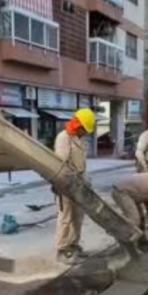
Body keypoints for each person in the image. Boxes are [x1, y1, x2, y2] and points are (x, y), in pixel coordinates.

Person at [54, 108, 96, 262]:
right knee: (65, 217)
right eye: (84, 130)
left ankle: (73, 244)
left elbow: (81, 163)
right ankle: (62, 250)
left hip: (78, 183)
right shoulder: (63, 138)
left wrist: (85, 180)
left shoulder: (78, 139)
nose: (85, 133)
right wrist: (70, 181)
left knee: (78, 216)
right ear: (78, 126)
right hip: (65, 183)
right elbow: (62, 164)